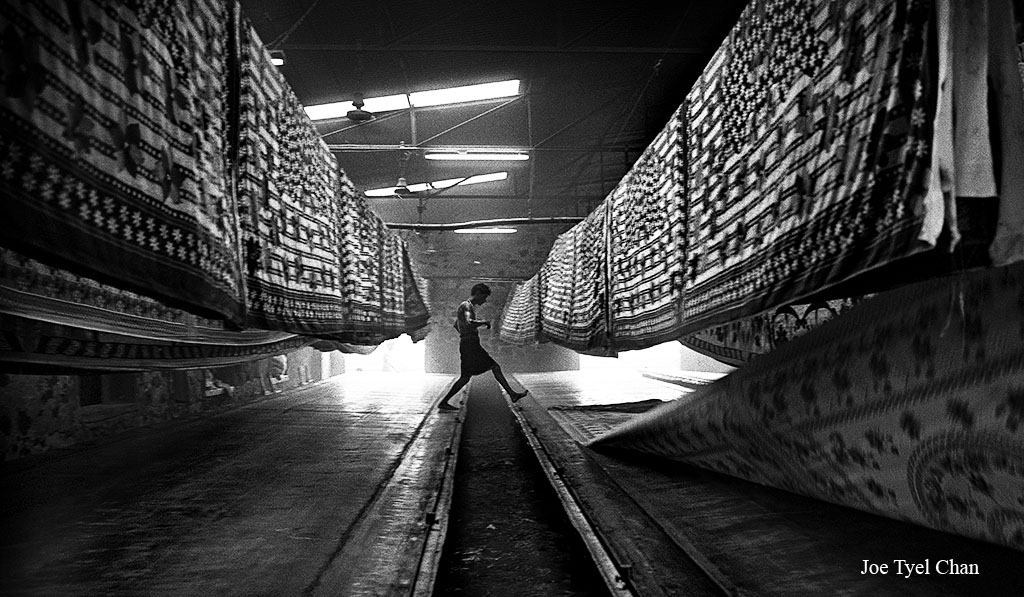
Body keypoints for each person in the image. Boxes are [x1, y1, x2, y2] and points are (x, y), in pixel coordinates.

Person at [437, 283, 528, 410]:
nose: (484, 301)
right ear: (478, 293)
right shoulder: (467, 306)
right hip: (470, 345)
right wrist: (483, 322)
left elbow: (457, 325)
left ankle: (444, 402)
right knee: (493, 367)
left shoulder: (466, 306)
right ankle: (512, 394)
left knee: (466, 377)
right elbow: (468, 323)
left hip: (469, 343)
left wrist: (464, 334)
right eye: (484, 297)